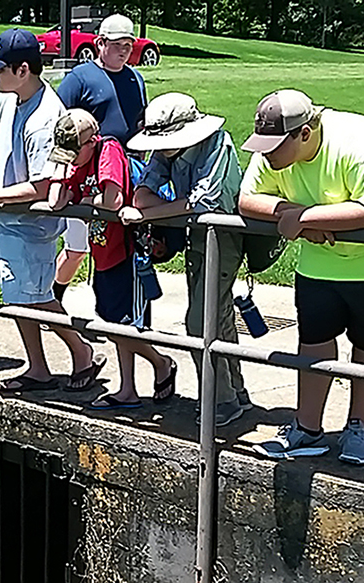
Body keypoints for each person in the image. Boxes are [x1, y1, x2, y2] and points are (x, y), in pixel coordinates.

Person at [239, 90, 364, 465]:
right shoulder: (272, 153)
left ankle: (358, 428)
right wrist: (298, 214)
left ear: (305, 133)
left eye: (275, 146)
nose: (266, 154)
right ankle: (307, 429)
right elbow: (247, 199)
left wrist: (305, 219)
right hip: (322, 257)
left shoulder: (360, 139)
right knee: (314, 337)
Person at [0, 28, 103, 393]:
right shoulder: (8, 99)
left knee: (36, 297)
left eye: (0, 69)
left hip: (31, 224)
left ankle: (78, 353)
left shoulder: (47, 117)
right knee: (20, 298)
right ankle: (42, 366)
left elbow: (43, 185)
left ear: (23, 69)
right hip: (7, 218)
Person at [120, 93, 249, 423]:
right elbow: (144, 190)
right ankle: (235, 393)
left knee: (200, 321)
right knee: (217, 316)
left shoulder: (218, 143)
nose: (162, 147)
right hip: (196, 237)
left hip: (225, 236)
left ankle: (221, 402)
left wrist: (147, 214)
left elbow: (203, 201)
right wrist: (150, 208)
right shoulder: (164, 150)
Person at [46, 109, 174, 407]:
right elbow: (56, 202)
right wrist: (61, 168)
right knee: (111, 321)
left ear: (92, 141)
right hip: (102, 255)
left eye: (72, 152)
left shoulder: (108, 150)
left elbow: (113, 200)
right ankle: (134, 383)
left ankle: (155, 366)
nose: (70, 158)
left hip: (126, 252)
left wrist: (84, 200)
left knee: (123, 325)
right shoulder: (78, 162)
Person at [52, 14, 148, 304]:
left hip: (124, 174)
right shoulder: (80, 77)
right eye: (117, 44)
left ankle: (121, 308)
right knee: (78, 248)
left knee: (119, 245)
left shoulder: (135, 78)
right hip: (87, 173)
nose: (124, 50)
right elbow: (61, 125)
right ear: (100, 43)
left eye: (128, 45)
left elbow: (139, 123)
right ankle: (52, 296)